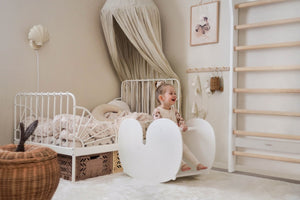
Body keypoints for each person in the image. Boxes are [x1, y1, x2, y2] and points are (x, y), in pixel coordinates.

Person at [152, 81, 207, 172]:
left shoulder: (174, 110)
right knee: (172, 150)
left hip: (176, 136)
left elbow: (180, 119)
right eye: (171, 93)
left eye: (175, 93)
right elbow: (158, 125)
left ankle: (197, 164)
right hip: (164, 139)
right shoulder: (157, 111)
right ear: (161, 98)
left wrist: (183, 125)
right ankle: (183, 164)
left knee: (185, 149)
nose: (174, 95)